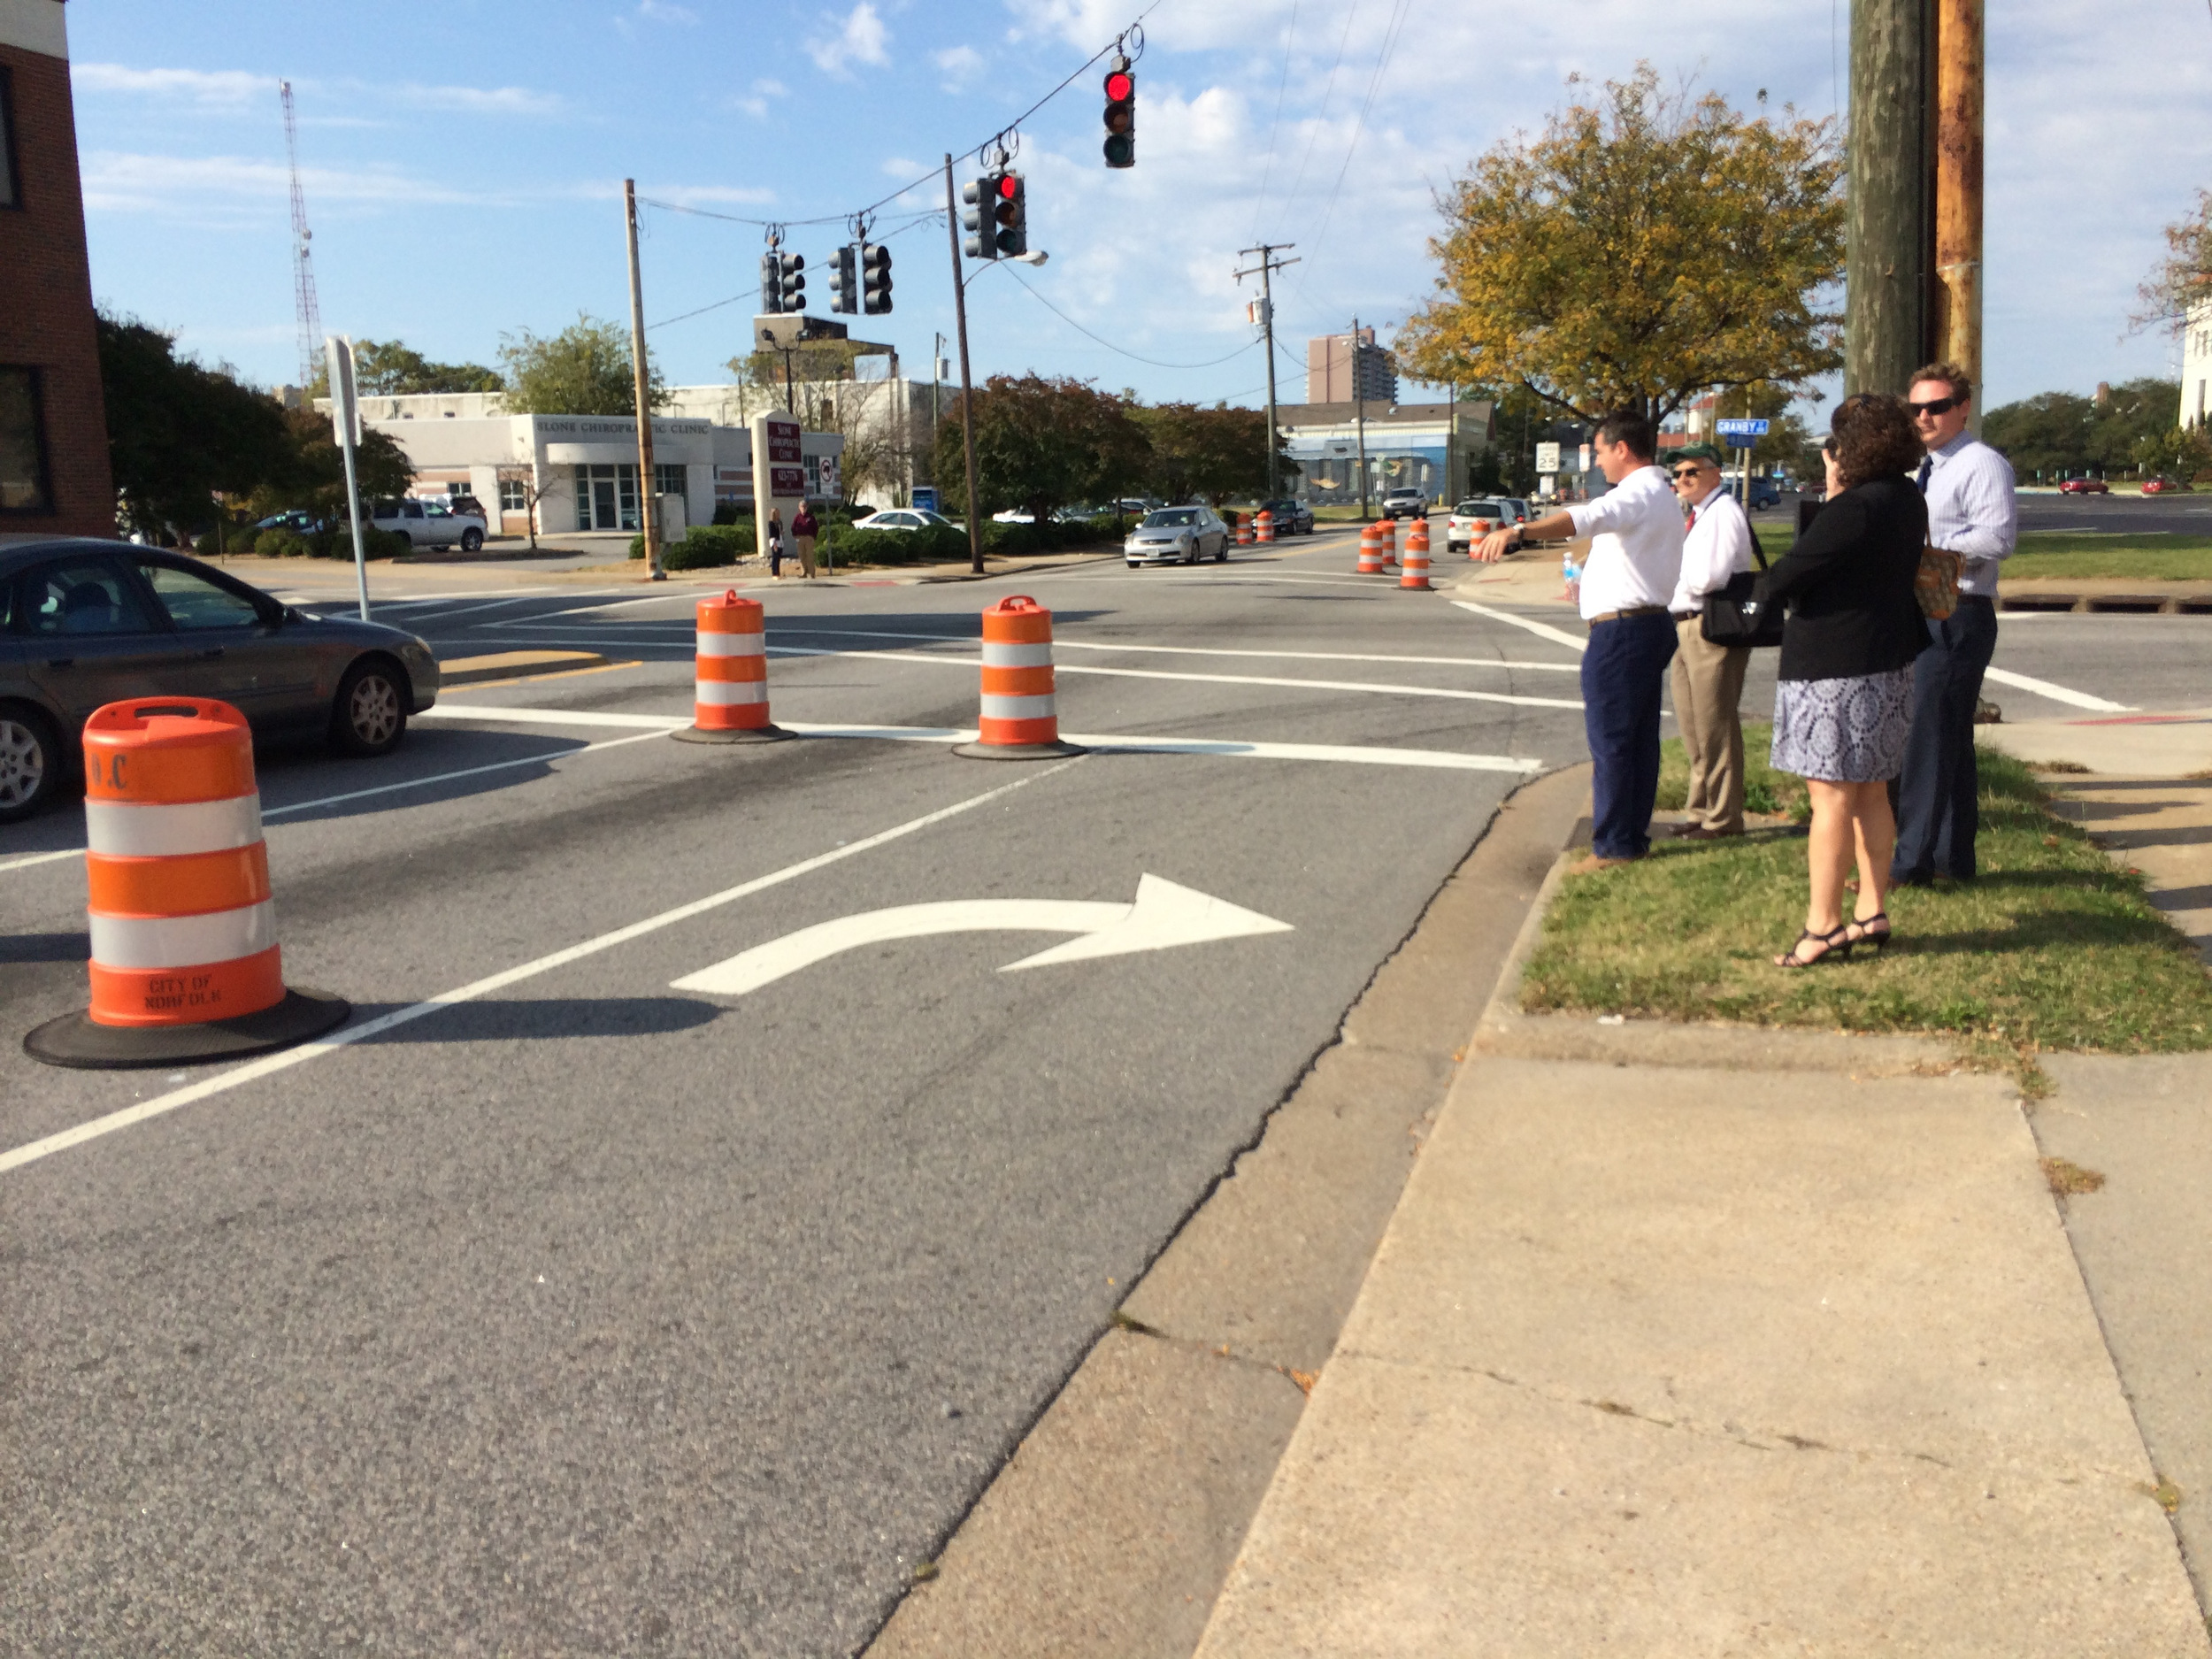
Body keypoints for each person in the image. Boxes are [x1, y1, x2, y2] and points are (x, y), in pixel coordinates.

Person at [1756, 395, 1929, 967]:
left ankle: (1822, 925)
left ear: (1850, 449)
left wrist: (1834, 489)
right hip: (1888, 659)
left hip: (1834, 666)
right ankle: (1872, 909)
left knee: (1830, 796)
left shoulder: (1854, 506)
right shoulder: (1907, 497)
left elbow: (1789, 572)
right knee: (1873, 789)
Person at [1478, 410, 1685, 872]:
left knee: (1612, 740)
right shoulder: (1660, 495)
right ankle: (1629, 835)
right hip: (1644, 625)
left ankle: (1614, 845)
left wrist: (1520, 530)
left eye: (1601, 451)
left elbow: (1586, 517)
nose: (1598, 462)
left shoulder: (1638, 493)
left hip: (1624, 633)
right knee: (1637, 739)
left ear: (1622, 449)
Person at [1891, 361, 2018, 886]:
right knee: (1948, 739)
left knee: (1928, 738)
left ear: (1963, 408)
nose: (1925, 416)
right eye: (1916, 407)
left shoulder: (1980, 464)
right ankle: (1952, 861)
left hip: (1958, 611)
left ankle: (1909, 865)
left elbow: (1997, 539)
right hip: (1929, 607)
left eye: (1937, 406)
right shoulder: (1931, 467)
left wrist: (1922, 553)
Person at [1665, 444, 1757, 840]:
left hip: (1711, 625)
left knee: (1715, 726)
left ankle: (1723, 818)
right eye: (1678, 474)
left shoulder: (1723, 513)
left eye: (1692, 472)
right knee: (1693, 726)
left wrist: (1676, 578)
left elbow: (1710, 578)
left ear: (1715, 474)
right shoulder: (1699, 516)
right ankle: (1699, 809)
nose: (1683, 480)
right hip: (1685, 624)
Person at [791, 502, 819, 580]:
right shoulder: (797, 517)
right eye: (801, 506)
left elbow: (816, 527)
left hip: (809, 538)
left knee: (810, 556)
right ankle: (804, 573)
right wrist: (795, 535)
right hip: (800, 538)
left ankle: (812, 574)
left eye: (804, 506)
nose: (803, 508)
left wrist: (813, 537)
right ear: (799, 508)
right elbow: (793, 527)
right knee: (802, 556)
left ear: (807, 507)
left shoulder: (810, 517)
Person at [766, 507, 784, 578]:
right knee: (775, 557)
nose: (778, 514)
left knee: (778, 557)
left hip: (780, 540)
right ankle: (774, 573)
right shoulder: (771, 523)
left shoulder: (779, 522)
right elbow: (772, 534)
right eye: (777, 513)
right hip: (775, 541)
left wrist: (781, 533)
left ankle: (778, 572)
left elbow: (779, 531)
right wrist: (774, 544)